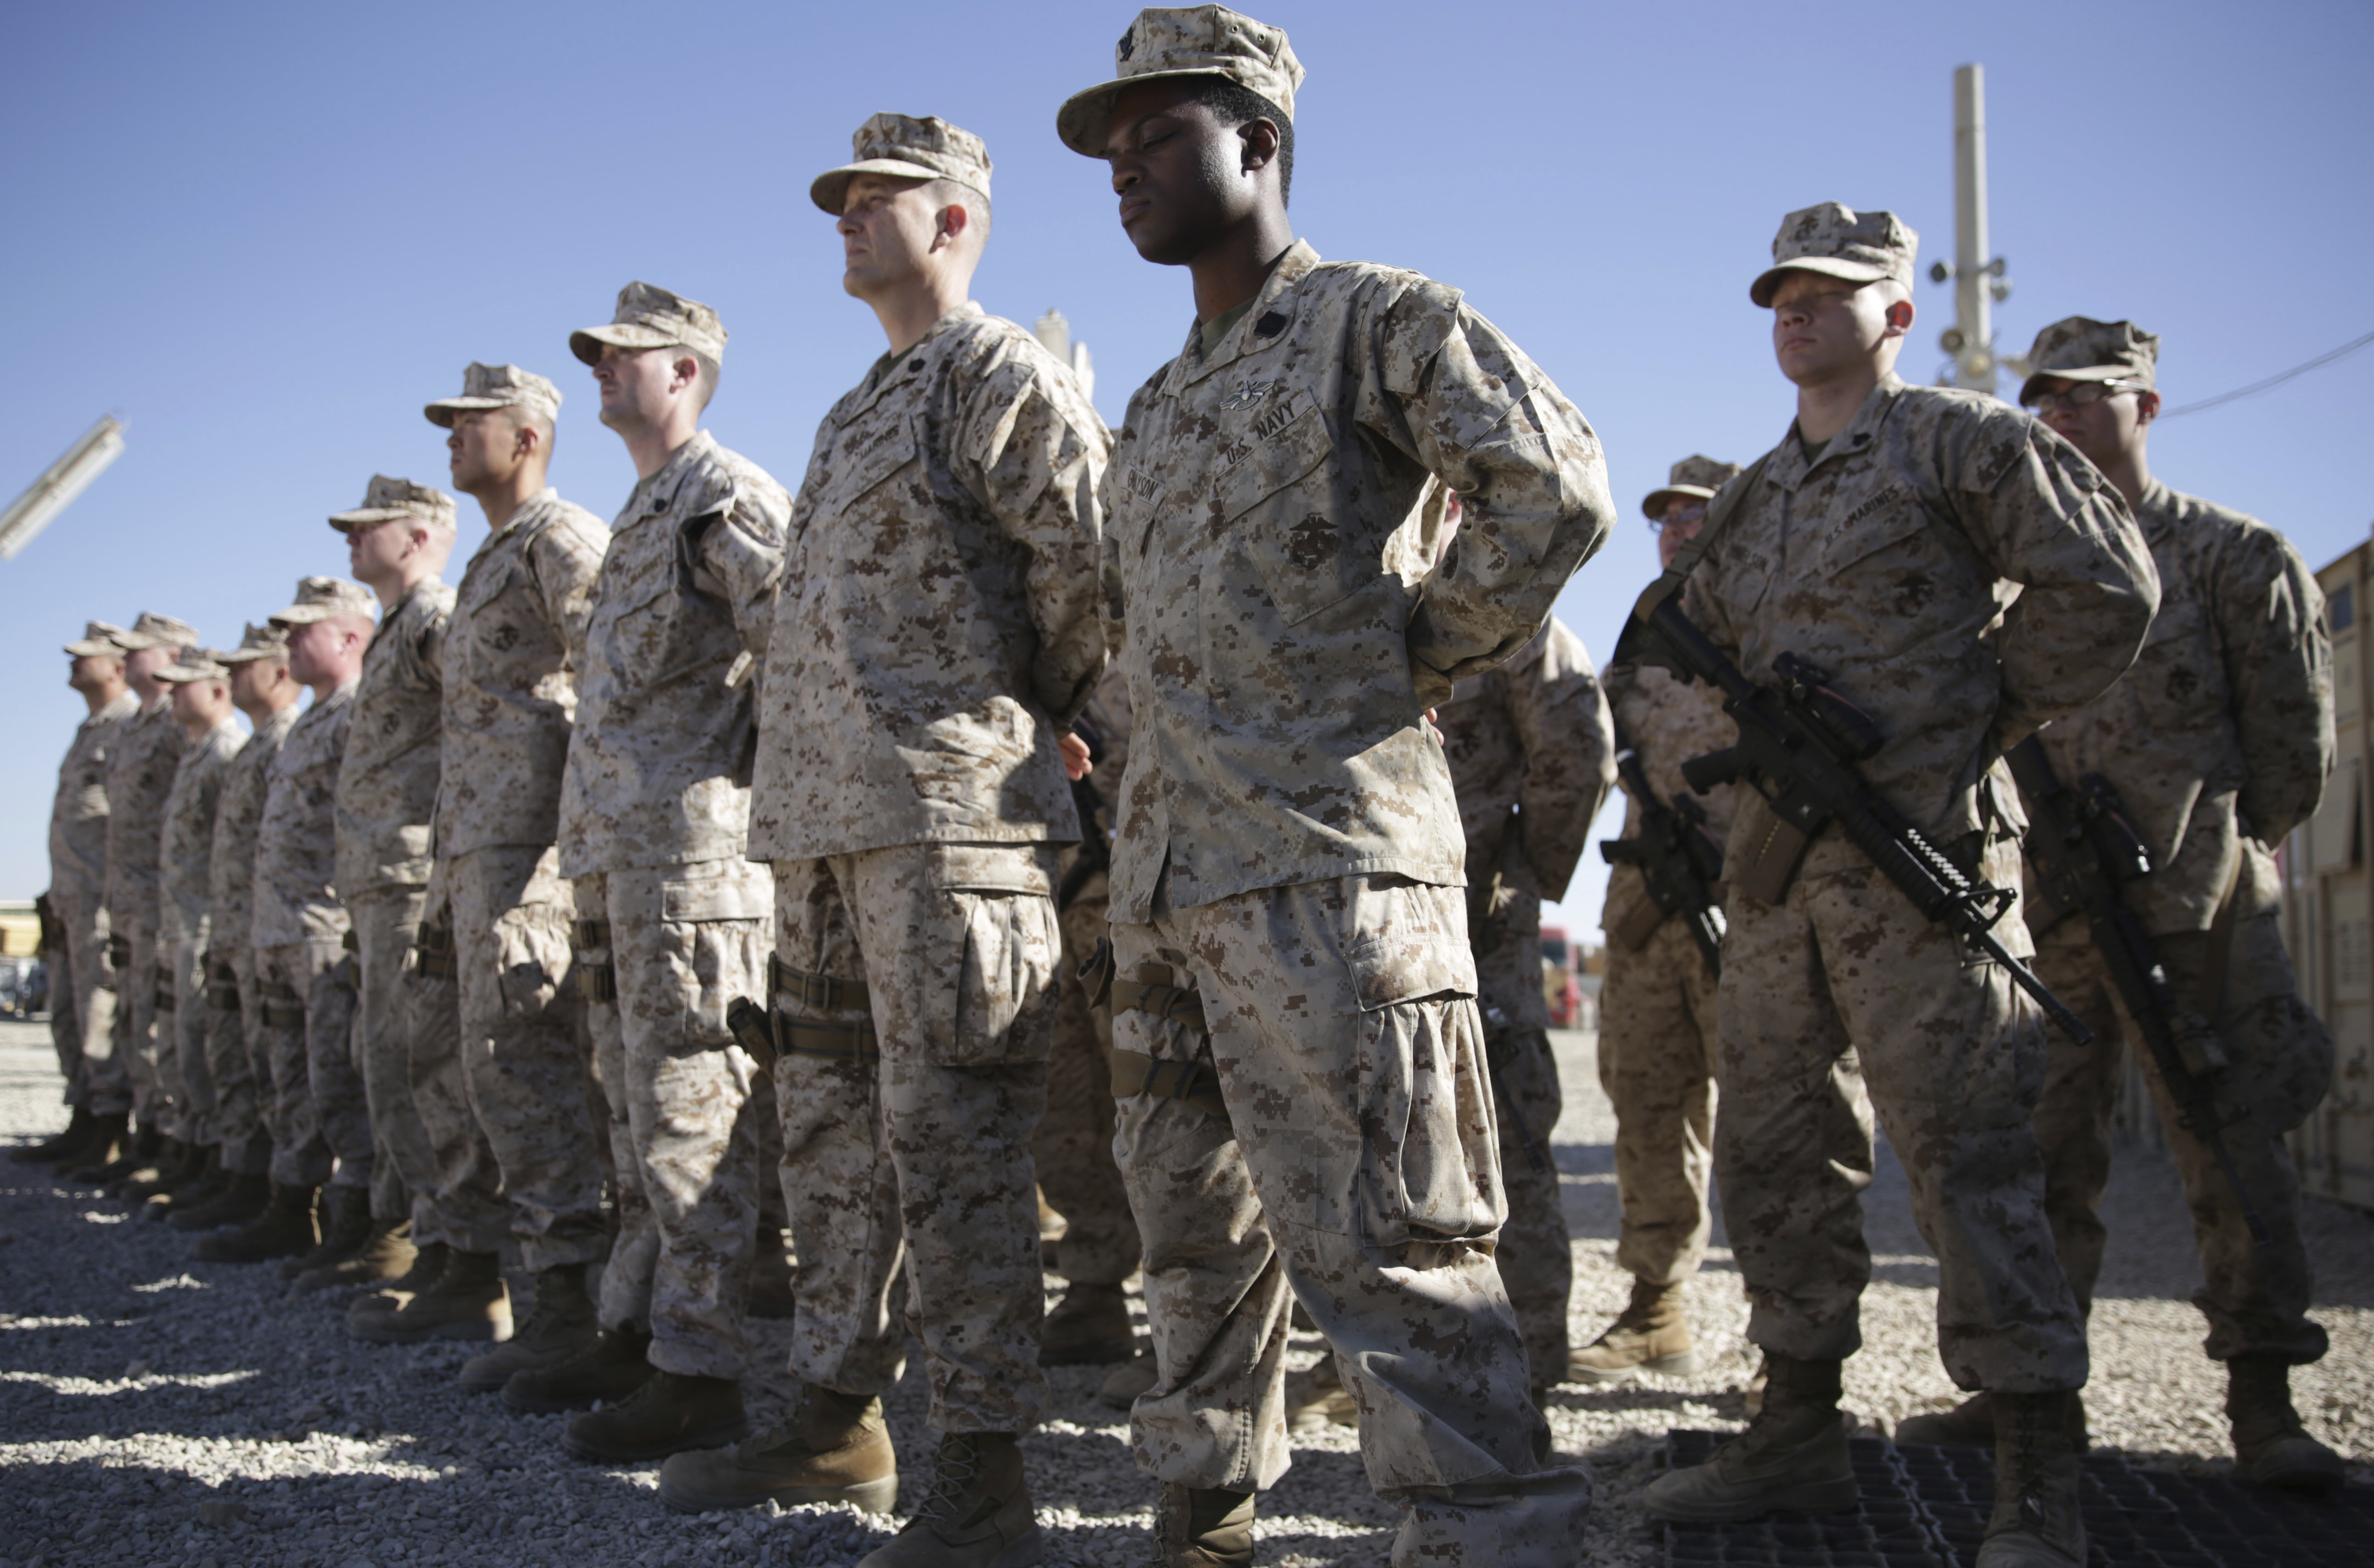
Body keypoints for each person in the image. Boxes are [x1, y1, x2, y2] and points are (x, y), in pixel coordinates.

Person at [1056, 9, 1616, 1561]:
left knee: (1392, 1249)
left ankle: (1491, 1534)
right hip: (1174, 879)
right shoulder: (1158, 408)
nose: (1124, 170)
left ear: (1260, 140)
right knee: (1189, 1231)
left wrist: (1411, 657)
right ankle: (1207, 1509)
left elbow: (1551, 486)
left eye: (1157, 134)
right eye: (1113, 149)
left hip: (1329, 870)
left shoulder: (1374, 320)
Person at [1636, 206, 2159, 1568]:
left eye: (1829, 293)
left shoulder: (1962, 443)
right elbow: (1686, 657)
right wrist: (1738, 784)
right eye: (1782, 295)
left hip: (1914, 876)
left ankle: (2031, 1467)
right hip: (1775, 890)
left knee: (1968, 1158)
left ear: (1898, 312)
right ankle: (1798, 1427)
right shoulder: (1753, 495)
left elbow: (2105, 586)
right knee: (1770, 1156)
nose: (1796, 312)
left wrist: (1967, 719)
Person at [658, 116, 1106, 1568]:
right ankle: (839, 1414)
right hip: (824, 838)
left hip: (951, 832)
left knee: (958, 1147)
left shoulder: (1002, 378)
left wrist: (1012, 732)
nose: (846, 216)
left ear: (957, 219)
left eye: (877, 198)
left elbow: (1096, 578)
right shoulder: (858, 407)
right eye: (840, 199)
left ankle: (984, 1475)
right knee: (834, 1142)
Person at [1892, 317, 2342, 1492]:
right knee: (2038, 1161)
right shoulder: (2019, 580)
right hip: (2047, 921)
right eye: (2045, 402)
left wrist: (2233, 858)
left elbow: (2293, 749)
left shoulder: (2237, 558)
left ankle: (2265, 1399)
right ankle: (2035, 1402)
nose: (2065, 420)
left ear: (2146, 405)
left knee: (2229, 1149)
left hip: (2199, 913)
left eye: (2090, 399)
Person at [499, 282, 786, 1467]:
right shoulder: (638, 517)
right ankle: (642, 1328)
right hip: (624, 874)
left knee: (688, 1121)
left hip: (696, 875)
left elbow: (798, 648)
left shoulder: (723, 495)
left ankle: (702, 1370)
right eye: (602, 357)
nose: (606, 371)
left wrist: (755, 811)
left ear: (688, 372)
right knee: (633, 1121)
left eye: (628, 356)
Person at [359, 363, 613, 1374]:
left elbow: (611, 691)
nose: (453, 437)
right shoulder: (488, 566)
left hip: (530, 858)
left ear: (528, 438)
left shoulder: (562, 540)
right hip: (468, 855)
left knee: (532, 1075)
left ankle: (566, 1312)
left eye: (473, 423)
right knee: (470, 1070)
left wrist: (559, 864)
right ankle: (488, 1277)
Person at [1569, 457, 1753, 1388]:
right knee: (1645, 1099)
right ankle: (1656, 1309)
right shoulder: (1647, 620)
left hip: (1747, 896)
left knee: (1768, 1116)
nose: (1676, 531)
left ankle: (1787, 1342)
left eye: (1696, 515)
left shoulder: (1762, 604)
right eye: (1665, 519)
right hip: (1647, 902)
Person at [299, 475, 492, 1302]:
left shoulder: (434, 622)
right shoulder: (394, 630)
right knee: (383, 1060)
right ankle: (420, 1233)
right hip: (378, 882)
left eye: (367, 527)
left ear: (415, 538)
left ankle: (452, 1250)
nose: (351, 539)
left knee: (421, 1064)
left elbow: (481, 728)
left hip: (417, 877)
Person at [199, 578, 379, 1265]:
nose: (289, 643)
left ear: (349, 637)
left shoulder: (357, 713)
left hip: (326, 930)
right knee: (289, 1076)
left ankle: (359, 1220)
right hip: (279, 930)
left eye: (303, 629)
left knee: (339, 1080)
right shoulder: (310, 722)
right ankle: (292, 1202)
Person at [172, 623, 304, 1233]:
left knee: (291, 1071)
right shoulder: (253, 746)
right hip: (238, 927)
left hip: (278, 928)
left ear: (276, 672)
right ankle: (243, 1175)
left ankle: (288, 1197)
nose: (231, 675)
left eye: (245, 664)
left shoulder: (279, 740)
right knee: (244, 1058)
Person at [1036, 664, 1143, 1376]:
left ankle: (1186, 1327)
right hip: (1057, 887)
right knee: (1069, 1106)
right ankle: (1095, 1286)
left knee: (1158, 1105)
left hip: (1135, 903)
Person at [76, 612, 198, 1185]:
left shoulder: (180, 723)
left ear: (171, 657)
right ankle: (136, 1137)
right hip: (124, 897)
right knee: (131, 1018)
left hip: (162, 899)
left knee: (160, 1025)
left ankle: (163, 1141)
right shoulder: (136, 727)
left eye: (140, 652)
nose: (128, 661)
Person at [15, 622, 140, 1168]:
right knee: (67, 1012)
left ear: (117, 667)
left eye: (86, 657)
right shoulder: (89, 730)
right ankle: (85, 1116)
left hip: (101, 901)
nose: (73, 662)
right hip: (70, 898)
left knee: (98, 1013)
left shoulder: (127, 728)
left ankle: (109, 1126)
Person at [142, 648, 247, 1213]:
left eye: (185, 686)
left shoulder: (225, 751)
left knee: (211, 1049)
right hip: (183, 923)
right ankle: (199, 1154)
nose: (173, 695)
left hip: (210, 923)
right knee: (184, 1047)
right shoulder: (196, 755)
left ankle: (218, 1161)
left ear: (217, 691)